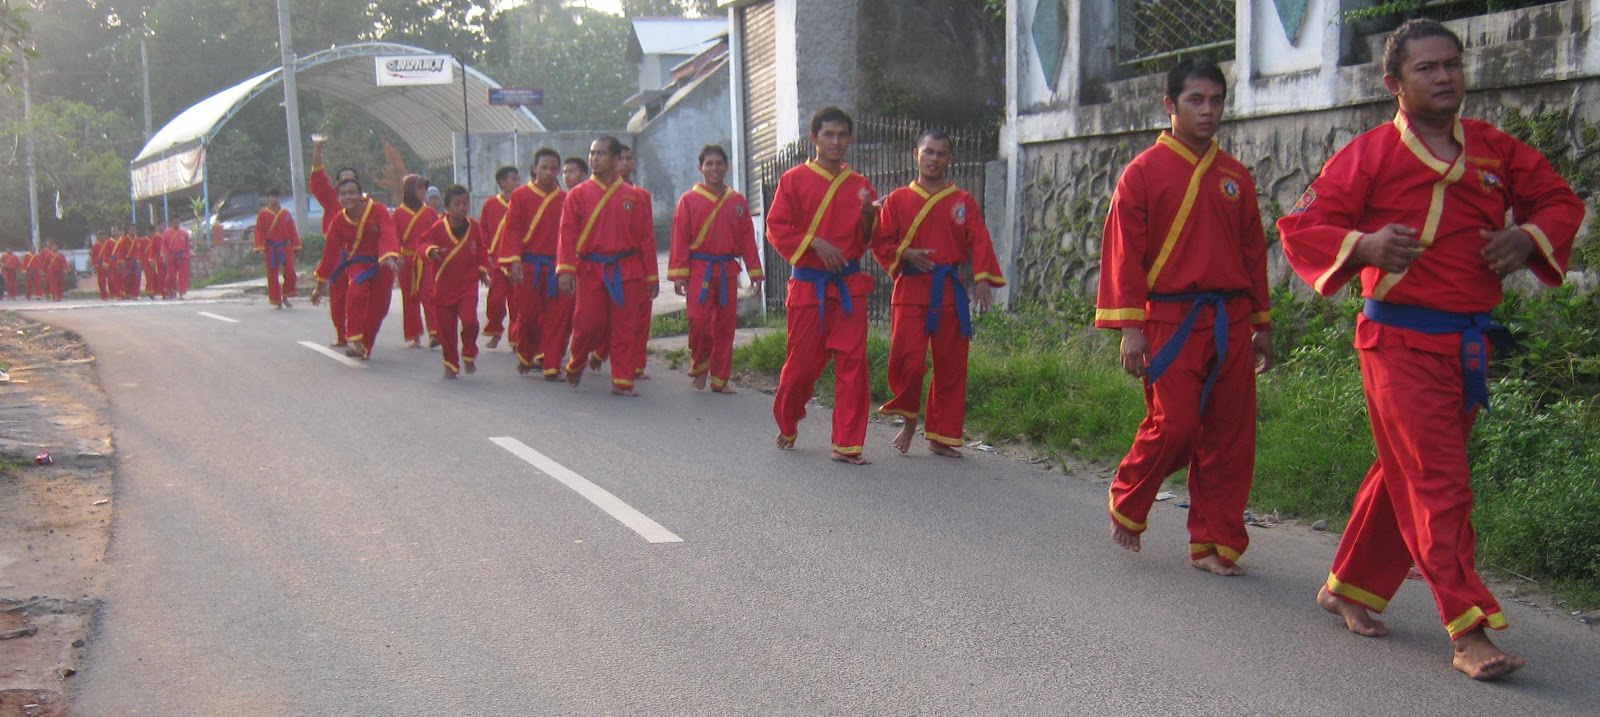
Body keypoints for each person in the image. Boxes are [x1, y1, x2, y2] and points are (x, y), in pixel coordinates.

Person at [1277, 20, 1584, 681]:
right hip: (1397, 343)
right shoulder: (1369, 155)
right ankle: (1470, 629)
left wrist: (1528, 236)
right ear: (1395, 84)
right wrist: (1362, 245)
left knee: (1404, 475)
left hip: (1467, 346)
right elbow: (1301, 225)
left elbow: (1560, 200)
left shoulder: (1497, 150)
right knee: (1439, 483)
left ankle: (1348, 585)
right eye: (1428, 68)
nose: (1445, 77)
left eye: (1452, 64)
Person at [1095, 58, 1273, 577]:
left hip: (1231, 320)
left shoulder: (1235, 177)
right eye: (1196, 100)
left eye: (1216, 100)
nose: (1208, 111)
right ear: (1169, 105)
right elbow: (1124, 254)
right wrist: (1130, 327)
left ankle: (1214, 543)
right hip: (1169, 320)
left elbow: (1252, 253)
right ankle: (1129, 496)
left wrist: (1261, 324)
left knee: (1230, 435)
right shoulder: (1143, 173)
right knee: (1175, 427)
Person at [871, 131, 1005, 457]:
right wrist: (906, 253)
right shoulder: (898, 200)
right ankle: (909, 421)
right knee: (909, 362)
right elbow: (881, 242)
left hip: (949, 291)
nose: (933, 159)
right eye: (928, 152)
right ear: (915, 154)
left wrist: (983, 279)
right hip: (911, 289)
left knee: (951, 365)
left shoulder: (963, 202)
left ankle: (941, 436)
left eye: (941, 154)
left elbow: (979, 240)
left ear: (950, 159)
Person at [766, 106, 879, 465]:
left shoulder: (860, 185)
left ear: (850, 140)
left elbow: (867, 240)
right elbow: (777, 227)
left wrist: (867, 216)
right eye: (828, 134)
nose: (835, 141)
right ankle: (788, 418)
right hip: (809, 288)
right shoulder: (793, 180)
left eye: (842, 135)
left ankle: (847, 444)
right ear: (813, 138)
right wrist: (815, 242)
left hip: (848, 288)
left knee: (853, 365)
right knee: (800, 367)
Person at [556, 136, 660, 396]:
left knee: (626, 328)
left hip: (627, 269)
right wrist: (566, 270)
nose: (595, 158)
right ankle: (577, 360)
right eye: (592, 153)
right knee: (587, 324)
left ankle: (623, 381)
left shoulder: (634, 197)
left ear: (615, 160)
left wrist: (651, 276)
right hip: (591, 270)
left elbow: (645, 238)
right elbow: (566, 235)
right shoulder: (577, 195)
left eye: (601, 154)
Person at [668, 144, 763, 393]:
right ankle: (700, 368)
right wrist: (679, 274)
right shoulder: (688, 200)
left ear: (726, 167)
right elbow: (679, 238)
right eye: (708, 164)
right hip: (700, 269)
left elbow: (747, 240)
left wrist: (754, 272)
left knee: (725, 326)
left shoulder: (737, 201)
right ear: (700, 168)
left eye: (719, 163)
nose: (714, 168)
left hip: (727, 271)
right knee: (698, 322)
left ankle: (720, 379)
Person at [309, 177, 402, 360]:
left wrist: (389, 256)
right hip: (357, 263)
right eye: (343, 194)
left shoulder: (378, 210)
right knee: (356, 292)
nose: (348, 197)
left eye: (352, 193)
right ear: (338, 198)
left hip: (382, 263)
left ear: (360, 195)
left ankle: (365, 346)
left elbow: (388, 233)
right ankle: (356, 341)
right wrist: (319, 286)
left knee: (379, 308)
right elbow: (329, 254)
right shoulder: (338, 222)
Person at [500, 149, 571, 379]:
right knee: (528, 317)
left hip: (556, 267)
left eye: (553, 168)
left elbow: (570, 235)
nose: (549, 173)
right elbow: (512, 230)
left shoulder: (565, 199)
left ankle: (551, 365)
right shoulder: (520, 196)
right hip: (529, 266)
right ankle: (526, 354)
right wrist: (514, 260)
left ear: (558, 170)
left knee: (556, 318)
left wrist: (569, 267)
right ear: (534, 168)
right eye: (544, 168)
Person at [418, 184, 492, 379]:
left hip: (467, 285)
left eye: (465, 203)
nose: (462, 208)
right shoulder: (438, 228)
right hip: (443, 287)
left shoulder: (473, 227)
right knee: (445, 330)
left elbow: (482, 251)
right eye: (457, 204)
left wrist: (483, 271)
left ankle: (469, 353)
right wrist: (431, 251)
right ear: (447, 208)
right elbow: (422, 244)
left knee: (470, 321)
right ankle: (450, 363)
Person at [309, 138, 359, 347]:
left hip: (360, 259)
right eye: (342, 183)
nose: (347, 191)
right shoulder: (331, 200)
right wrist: (318, 148)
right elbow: (319, 178)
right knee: (338, 299)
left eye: (351, 182)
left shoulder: (368, 206)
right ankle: (342, 333)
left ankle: (359, 334)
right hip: (338, 260)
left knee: (359, 298)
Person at [617, 145, 658, 381]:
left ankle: (636, 364)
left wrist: (652, 274)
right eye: (620, 159)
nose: (625, 163)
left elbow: (647, 235)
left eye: (629, 159)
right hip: (608, 265)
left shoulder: (642, 196)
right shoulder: (598, 194)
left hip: (637, 264)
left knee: (640, 317)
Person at [395, 175, 440, 348]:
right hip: (406, 261)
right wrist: (395, 256)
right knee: (409, 298)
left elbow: (438, 234)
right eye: (419, 188)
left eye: (424, 189)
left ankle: (434, 332)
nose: (423, 192)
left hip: (425, 259)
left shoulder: (429, 212)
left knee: (429, 295)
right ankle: (414, 335)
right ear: (410, 191)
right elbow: (394, 237)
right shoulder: (398, 213)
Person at [482, 165, 519, 349]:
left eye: (517, 179)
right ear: (502, 182)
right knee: (495, 300)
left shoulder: (521, 201)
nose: (517, 182)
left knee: (516, 303)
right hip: (496, 261)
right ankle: (495, 331)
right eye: (513, 179)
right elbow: (484, 231)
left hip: (516, 262)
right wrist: (485, 255)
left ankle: (516, 338)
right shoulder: (490, 204)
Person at [255, 189, 301, 308]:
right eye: (271, 197)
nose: (274, 199)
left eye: (276, 196)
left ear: (280, 197)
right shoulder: (262, 214)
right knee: (272, 275)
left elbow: (293, 231)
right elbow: (259, 232)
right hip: (270, 248)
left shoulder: (286, 213)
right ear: (268, 198)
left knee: (290, 273)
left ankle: (285, 296)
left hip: (285, 246)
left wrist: (296, 248)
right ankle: (277, 300)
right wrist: (261, 248)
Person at [166, 221, 192, 299]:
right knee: (171, 275)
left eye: (177, 222)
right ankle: (170, 289)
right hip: (171, 256)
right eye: (174, 222)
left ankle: (181, 292)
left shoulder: (184, 233)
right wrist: (165, 255)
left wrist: (187, 255)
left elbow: (187, 245)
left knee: (182, 275)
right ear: (172, 223)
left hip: (182, 256)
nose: (176, 224)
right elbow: (164, 246)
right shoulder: (167, 233)